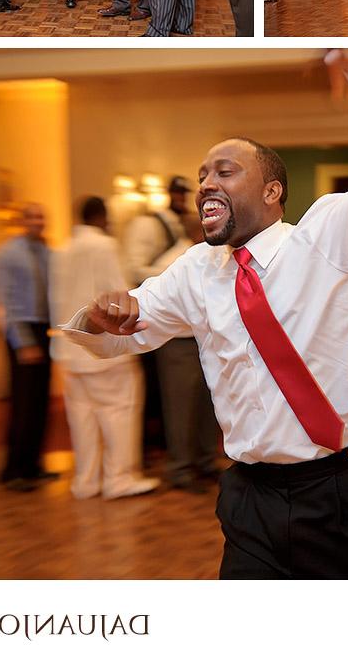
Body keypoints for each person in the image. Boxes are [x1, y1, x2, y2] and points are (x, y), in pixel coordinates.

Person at [60, 48, 348, 579]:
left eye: (225, 171)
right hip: (252, 501)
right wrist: (102, 318)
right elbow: (132, 327)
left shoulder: (327, 238)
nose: (206, 184)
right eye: (202, 175)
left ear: (272, 191)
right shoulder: (196, 269)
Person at [50, 197, 159, 500]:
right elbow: (119, 292)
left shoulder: (61, 250)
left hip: (69, 348)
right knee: (119, 412)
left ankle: (85, 481)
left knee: (82, 418)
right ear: (101, 217)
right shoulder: (104, 246)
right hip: (101, 348)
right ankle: (119, 478)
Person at [122, 178, 222, 491]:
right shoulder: (175, 261)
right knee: (181, 407)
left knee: (209, 404)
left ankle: (206, 462)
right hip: (178, 344)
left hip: (207, 340)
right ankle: (180, 469)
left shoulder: (215, 256)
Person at [0, 203, 57, 491]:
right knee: (23, 403)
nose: (37, 221)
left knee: (41, 403)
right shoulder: (7, 253)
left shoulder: (47, 252)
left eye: (41, 216)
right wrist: (23, 342)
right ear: (21, 221)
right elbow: (6, 304)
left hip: (43, 329)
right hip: (22, 331)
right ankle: (14, 469)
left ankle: (34, 466)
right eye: (31, 217)